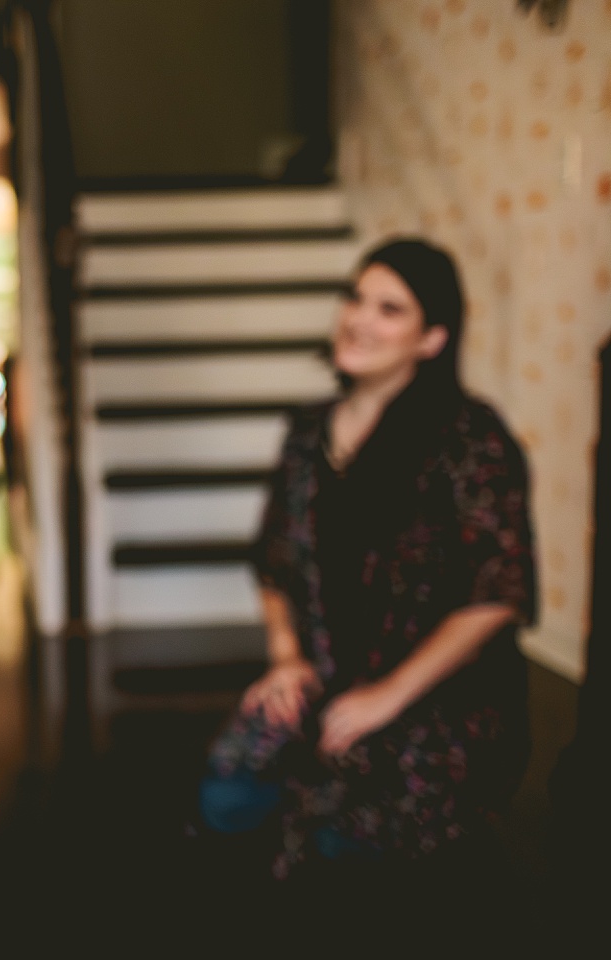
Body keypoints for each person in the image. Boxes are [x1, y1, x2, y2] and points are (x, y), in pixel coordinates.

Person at [199, 238, 537, 882]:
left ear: (432, 339)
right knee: (223, 802)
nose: (359, 318)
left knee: (341, 848)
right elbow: (274, 559)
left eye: (390, 308)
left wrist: (384, 698)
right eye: (355, 298)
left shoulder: (471, 438)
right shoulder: (309, 431)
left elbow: (499, 589)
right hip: (326, 673)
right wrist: (286, 658)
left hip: (439, 693)